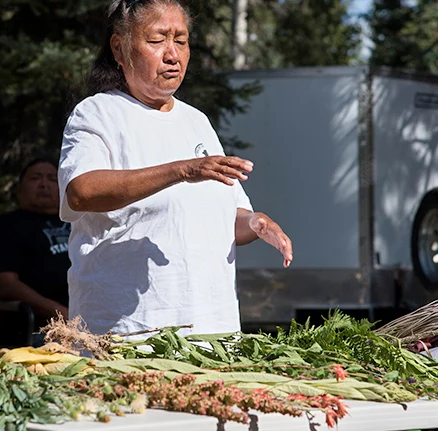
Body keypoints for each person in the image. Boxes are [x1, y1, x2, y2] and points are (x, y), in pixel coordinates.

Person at [58, 0, 293, 338]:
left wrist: (255, 223)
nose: (172, 54)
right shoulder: (97, 113)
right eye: (157, 41)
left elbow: (230, 220)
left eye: (180, 40)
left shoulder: (197, 122)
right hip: (128, 333)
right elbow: (81, 192)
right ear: (119, 48)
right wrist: (181, 170)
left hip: (213, 330)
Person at [0, 158, 71, 335]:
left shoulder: (79, 224)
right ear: (19, 190)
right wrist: (59, 312)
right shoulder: (6, 226)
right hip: (39, 329)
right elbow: (5, 285)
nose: (43, 184)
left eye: (52, 178)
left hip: (93, 318)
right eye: (35, 178)